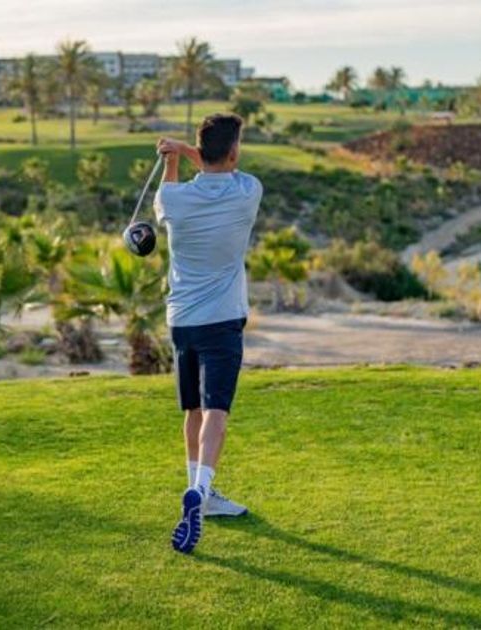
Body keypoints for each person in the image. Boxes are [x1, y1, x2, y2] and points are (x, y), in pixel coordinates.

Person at [154, 113, 262, 554]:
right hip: (223, 320)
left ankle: (199, 490)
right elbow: (215, 167)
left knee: (193, 410)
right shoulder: (248, 191)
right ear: (233, 153)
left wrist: (173, 157)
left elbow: (172, 191)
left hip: (182, 321)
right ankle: (201, 490)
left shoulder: (172, 199)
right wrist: (187, 150)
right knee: (217, 410)